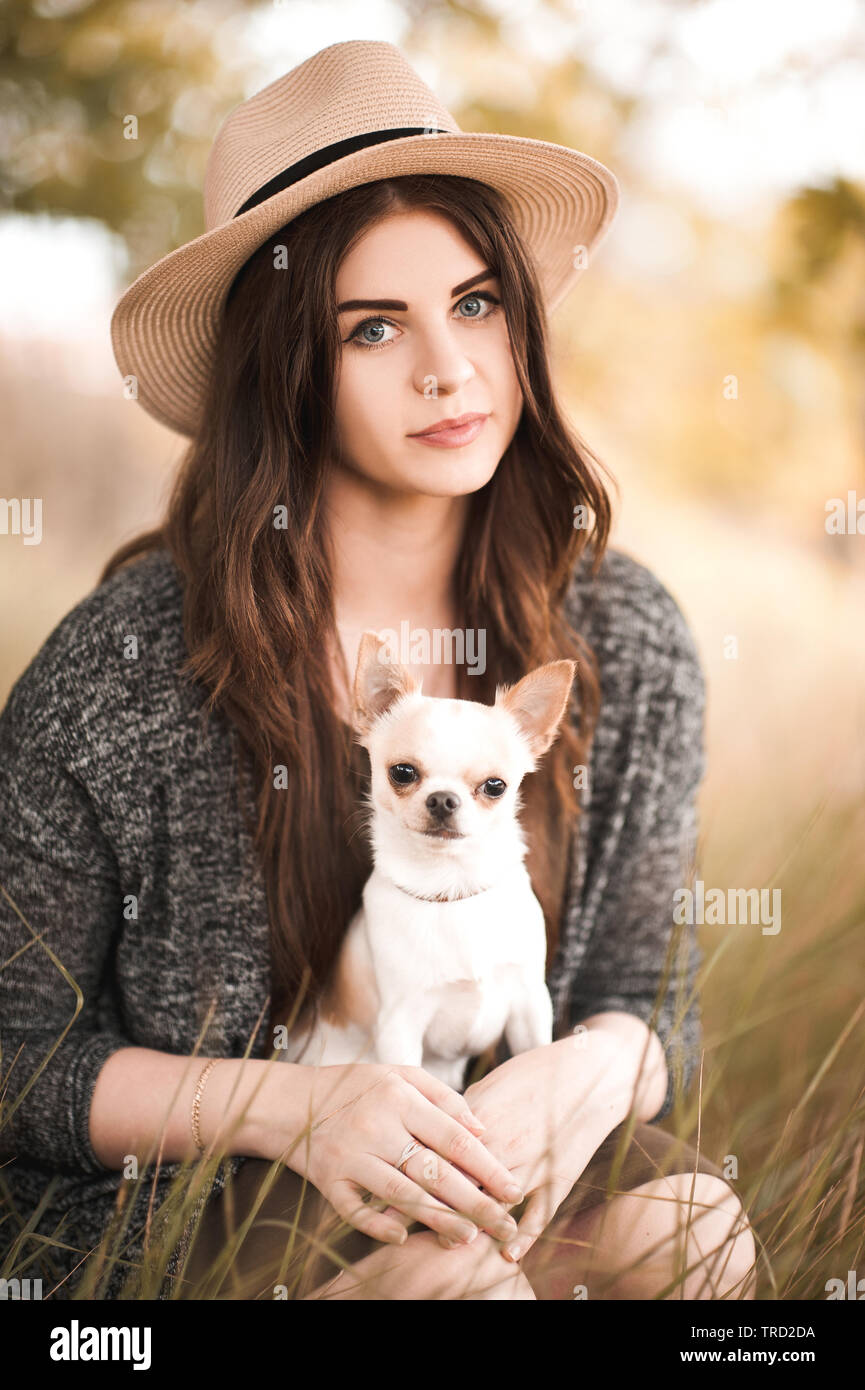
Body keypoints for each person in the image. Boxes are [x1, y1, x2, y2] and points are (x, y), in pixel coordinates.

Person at [0, 40, 756, 1301]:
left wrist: (583, 1073)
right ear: (286, 369)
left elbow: (646, 1000)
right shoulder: (121, 675)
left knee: (692, 1232)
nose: (447, 367)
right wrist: (290, 1109)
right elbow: (17, 1055)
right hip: (199, 1191)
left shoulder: (624, 639)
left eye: (474, 303)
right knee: (459, 1290)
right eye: (370, 327)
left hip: (492, 1151)